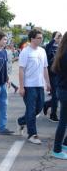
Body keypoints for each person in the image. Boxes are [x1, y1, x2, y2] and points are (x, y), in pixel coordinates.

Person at [17, 29, 51, 144]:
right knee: (31, 111)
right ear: (32, 39)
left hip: (40, 85)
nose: (41, 40)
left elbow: (45, 68)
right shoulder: (25, 52)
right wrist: (21, 87)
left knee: (39, 108)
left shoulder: (42, 51)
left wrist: (48, 83)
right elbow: (21, 70)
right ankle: (32, 134)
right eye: (39, 38)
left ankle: (21, 121)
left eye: (41, 38)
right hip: (29, 86)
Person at [51, 31, 67, 159]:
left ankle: (64, 144)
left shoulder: (62, 52)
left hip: (62, 90)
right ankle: (57, 149)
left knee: (64, 121)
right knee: (63, 121)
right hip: (65, 91)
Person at [43, 31, 62, 122]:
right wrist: (54, 40)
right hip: (52, 74)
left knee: (58, 95)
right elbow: (47, 51)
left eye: (61, 37)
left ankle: (47, 104)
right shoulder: (49, 46)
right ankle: (53, 115)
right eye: (58, 37)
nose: (59, 38)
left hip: (60, 74)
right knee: (55, 95)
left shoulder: (61, 47)